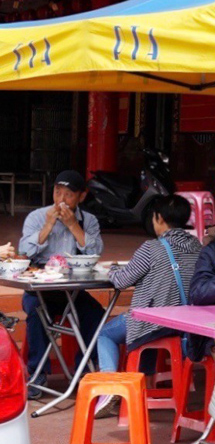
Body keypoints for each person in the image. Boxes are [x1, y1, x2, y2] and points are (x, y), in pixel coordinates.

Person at [92, 195, 201, 418]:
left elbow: (122, 281)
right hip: (187, 324)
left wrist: (111, 270)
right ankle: (144, 380)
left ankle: (110, 388)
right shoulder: (197, 247)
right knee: (147, 332)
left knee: (105, 334)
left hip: (154, 322)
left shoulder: (151, 248)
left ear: (159, 218)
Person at [19, 170, 106, 399]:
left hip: (73, 289)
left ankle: (83, 371)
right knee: (37, 316)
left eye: (68, 195)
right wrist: (48, 226)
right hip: (40, 288)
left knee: (96, 315)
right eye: (58, 192)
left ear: (81, 197)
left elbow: (95, 252)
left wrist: (73, 227)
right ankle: (37, 373)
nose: (61, 200)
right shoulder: (37, 217)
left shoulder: (89, 221)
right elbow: (24, 251)